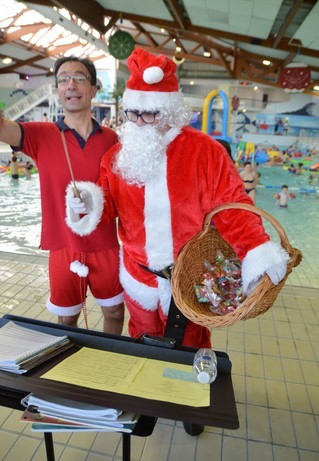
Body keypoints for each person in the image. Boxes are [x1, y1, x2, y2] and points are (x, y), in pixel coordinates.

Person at [66, 48, 289, 350]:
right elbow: (106, 207)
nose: (140, 122)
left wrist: (255, 250)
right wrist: (89, 205)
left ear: (170, 111)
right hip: (137, 277)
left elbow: (232, 207)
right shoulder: (117, 157)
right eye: (134, 113)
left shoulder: (205, 151)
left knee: (190, 347)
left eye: (150, 113)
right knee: (140, 342)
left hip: (189, 278)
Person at [0, 55, 124, 334]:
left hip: (105, 241)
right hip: (63, 245)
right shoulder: (40, 135)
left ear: (94, 89)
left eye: (79, 78)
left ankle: (110, 367)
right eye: (63, 79)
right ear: (57, 89)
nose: (71, 84)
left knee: (115, 313)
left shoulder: (112, 140)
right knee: (67, 319)